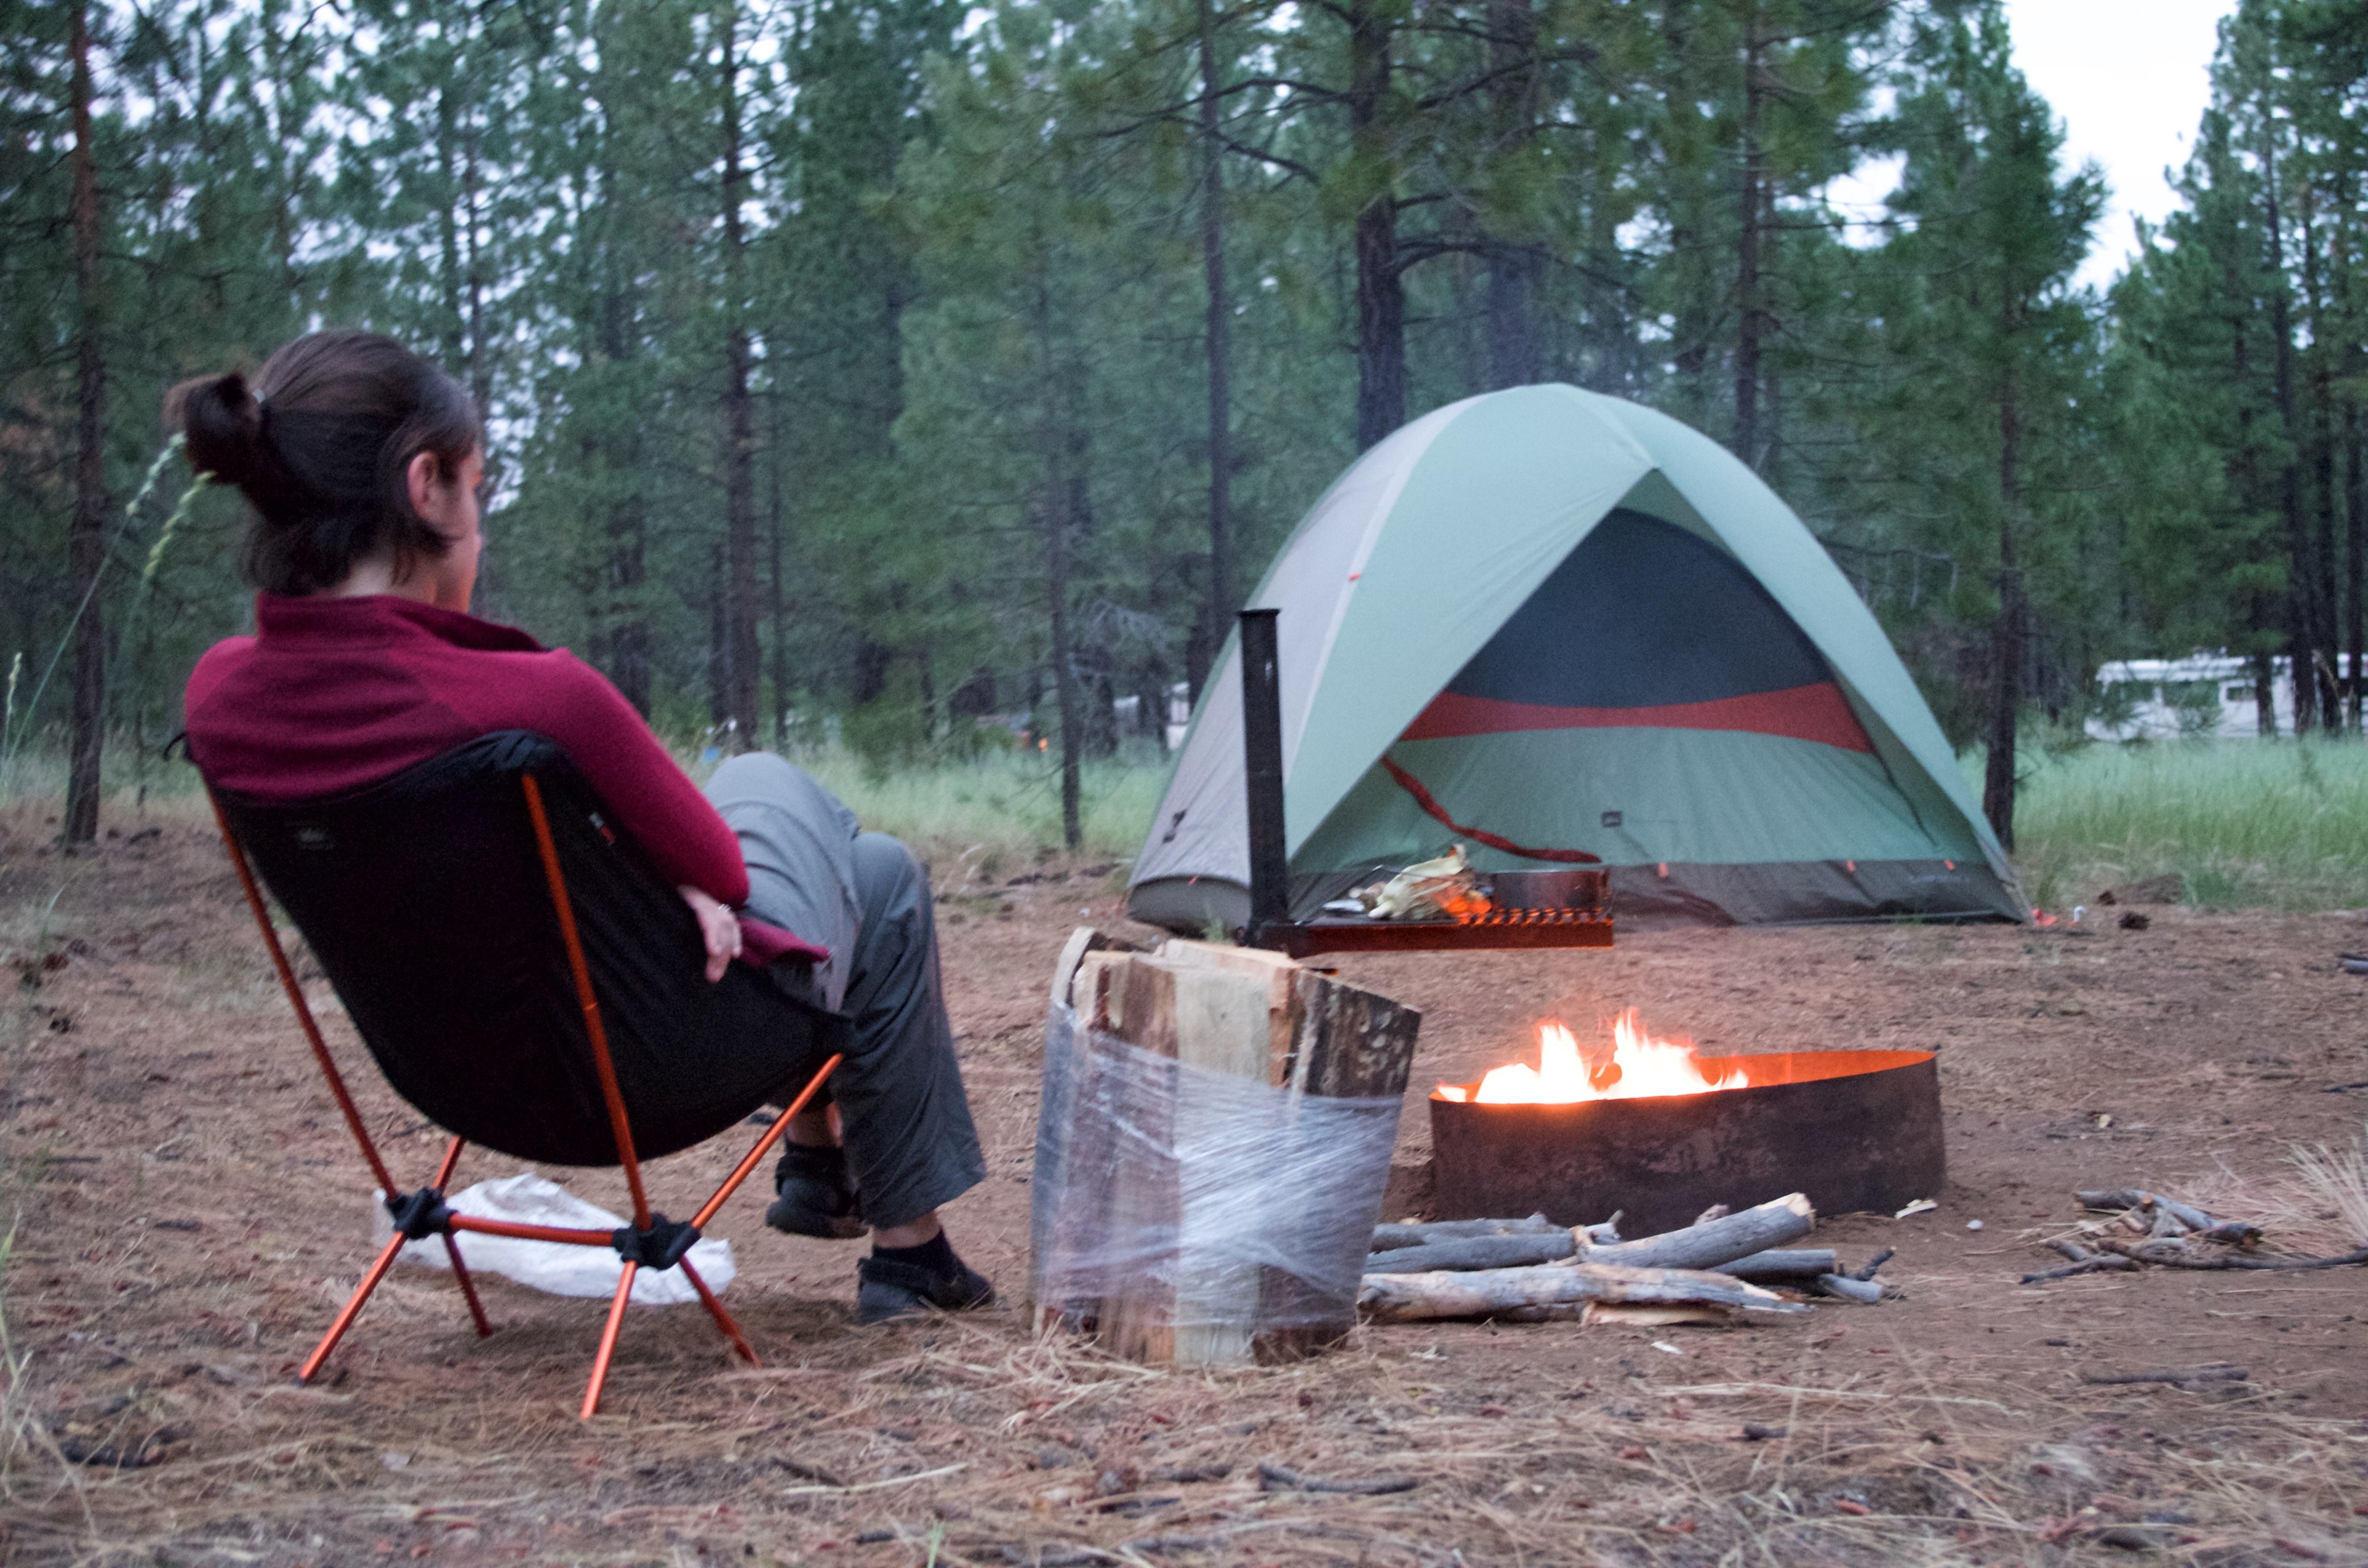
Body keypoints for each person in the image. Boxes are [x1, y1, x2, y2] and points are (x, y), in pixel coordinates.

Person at [171, 330, 992, 1326]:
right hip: (655, 1069)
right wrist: (684, 874)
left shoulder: (221, 702)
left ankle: (827, 1172)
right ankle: (897, 1244)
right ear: (425, 486)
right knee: (827, 830)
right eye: (476, 491)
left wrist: (650, 863)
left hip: (457, 1085)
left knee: (859, 868)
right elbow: (726, 875)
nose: (481, 526)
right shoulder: (538, 700)